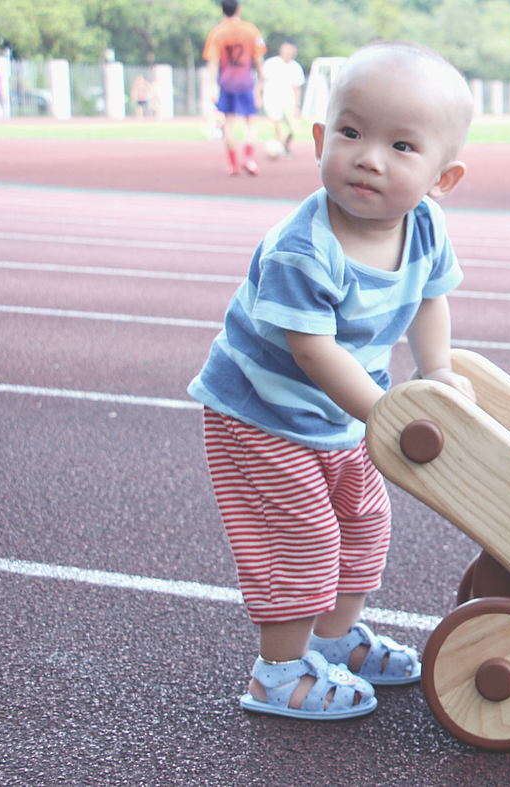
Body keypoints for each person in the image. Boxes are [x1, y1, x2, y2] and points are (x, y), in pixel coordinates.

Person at [187, 41, 477, 721]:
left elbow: (430, 298)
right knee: (303, 541)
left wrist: (437, 370)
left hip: (343, 412)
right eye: (350, 133)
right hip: (261, 414)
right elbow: (313, 351)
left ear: (443, 177)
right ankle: (277, 673)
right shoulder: (302, 247)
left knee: (364, 520)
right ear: (320, 138)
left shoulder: (425, 225)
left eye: (402, 146)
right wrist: (385, 411)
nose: (369, 156)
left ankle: (337, 638)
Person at [204, 0, 267, 175]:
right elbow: (258, 58)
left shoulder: (217, 33)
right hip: (245, 82)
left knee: (229, 123)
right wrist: (262, 80)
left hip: (226, 83)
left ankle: (233, 164)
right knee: (252, 121)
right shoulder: (251, 30)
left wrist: (211, 85)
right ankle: (248, 157)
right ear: (238, 9)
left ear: (222, 11)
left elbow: (213, 61)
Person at [263, 41, 306, 157]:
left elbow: (297, 88)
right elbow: (262, 80)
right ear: (281, 50)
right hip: (272, 99)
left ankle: (284, 146)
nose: (288, 52)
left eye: (291, 50)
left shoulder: (296, 67)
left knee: (294, 128)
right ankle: (280, 146)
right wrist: (258, 95)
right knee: (277, 121)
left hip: (289, 101)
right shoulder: (271, 63)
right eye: (286, 49)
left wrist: (297, 106)